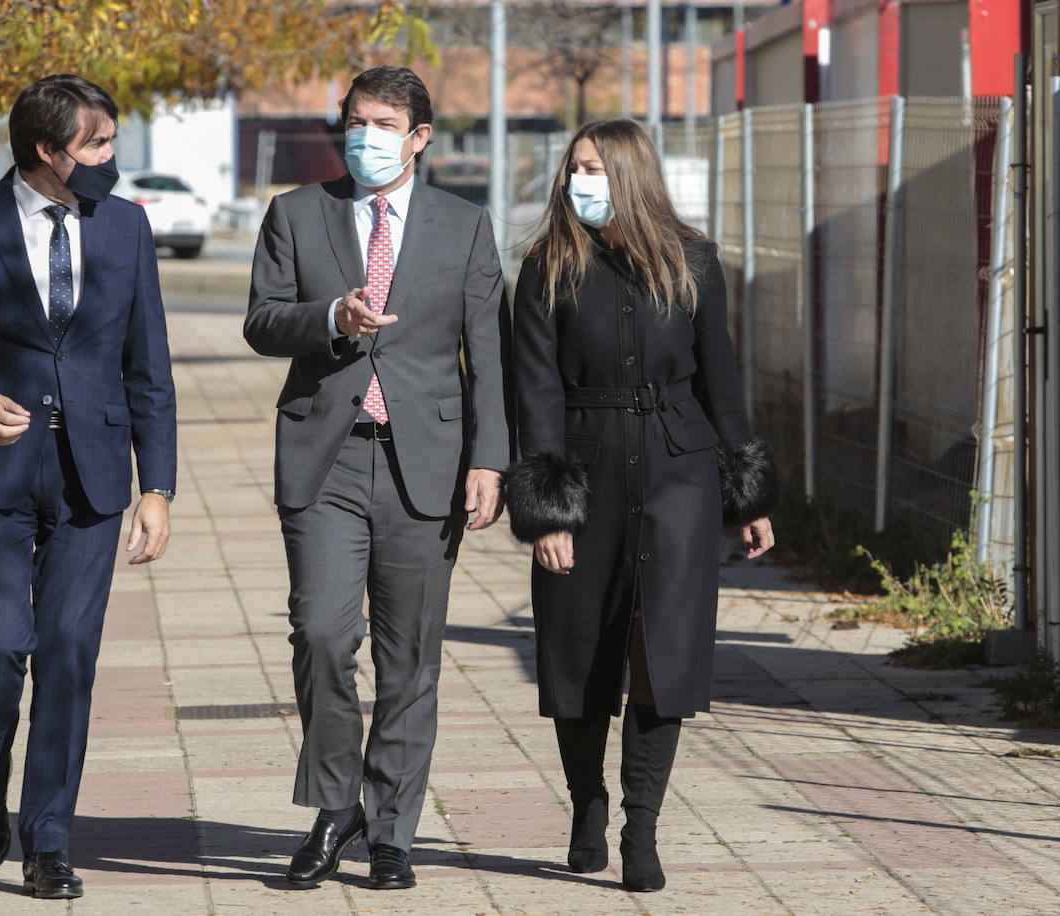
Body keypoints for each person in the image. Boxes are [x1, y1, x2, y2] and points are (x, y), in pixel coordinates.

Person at [0, 74, 177, 900]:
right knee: (0, 642)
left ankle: (48, 838)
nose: (111, 159)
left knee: (69, 657)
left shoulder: (125, 227)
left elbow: (148, 368)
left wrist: (155, 487)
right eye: (96, 145)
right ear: (48, 151)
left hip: (94, 477)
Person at [244, 65, 511, 891]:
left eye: (386, 123)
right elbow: (262, 319)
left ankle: (392, 825)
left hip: (422, 465)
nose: (367, 136)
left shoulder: (465, 226)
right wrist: (330, 318)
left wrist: (491, 458)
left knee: (410, 659)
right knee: (322, 634)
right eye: (356, 121)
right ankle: (335, 806)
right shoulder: (295, 213)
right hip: (326, 456)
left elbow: (488, 356)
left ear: (420, 137)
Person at [503, 119, 777, 892]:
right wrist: (549, 508)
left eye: (593, 168)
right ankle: (586, 802)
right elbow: (535, 391)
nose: (577, 181)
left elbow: (719, 382)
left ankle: (641, 827)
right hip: (585, 470)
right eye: (573, 169)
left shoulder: (693, 261)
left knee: (666, 651)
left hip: (679, 471)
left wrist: (745, 493)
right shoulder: (547, 268)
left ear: (630, 175)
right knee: (578, 647)